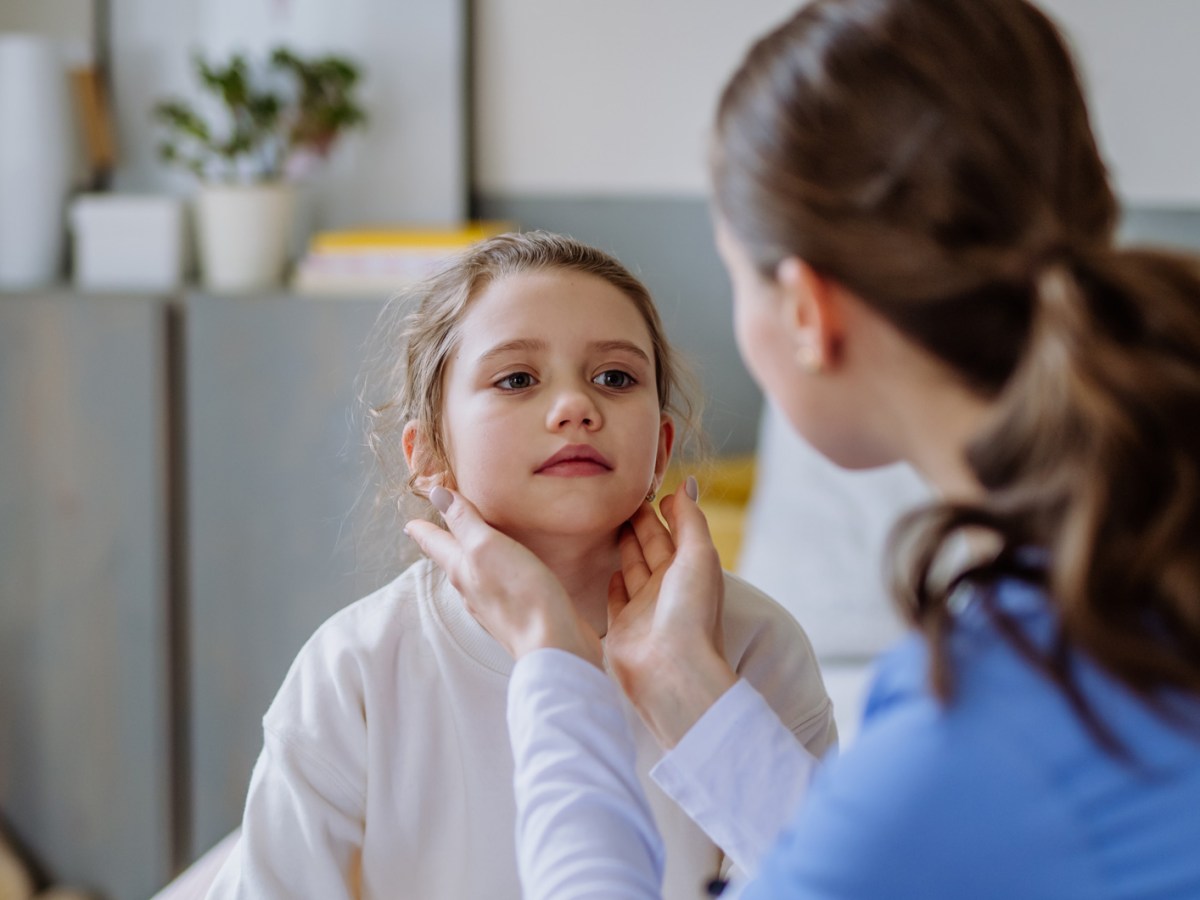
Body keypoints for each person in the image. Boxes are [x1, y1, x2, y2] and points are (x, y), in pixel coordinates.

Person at [404, 1, 1200, 897]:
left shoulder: (985, 721)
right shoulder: (1117, 605)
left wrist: (553, 663)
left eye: (736, 277)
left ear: (808, 314)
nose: (573, 410)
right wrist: (679, 684)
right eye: (515, 380)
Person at [205, 231, 836, 899]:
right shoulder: (355, 667)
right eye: (517, 379)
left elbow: (836, 879)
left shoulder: (755, 643)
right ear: (427, 454)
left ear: (661, 449)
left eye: (615, 378)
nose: (575, 408)